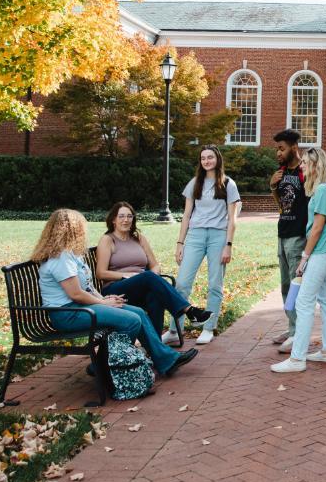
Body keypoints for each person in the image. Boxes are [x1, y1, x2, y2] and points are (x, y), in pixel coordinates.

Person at [33, 208, 197, 380]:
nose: (84, 231)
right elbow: (76, 294)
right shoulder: (61, 258)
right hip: (68, 313)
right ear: (72, 229)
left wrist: (103, 298)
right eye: (81, 227)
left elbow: (86, 287)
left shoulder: (71, 255)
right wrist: (103, 303)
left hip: (80, 307)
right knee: (131, 320)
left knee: (139, 312)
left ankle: (165, 360)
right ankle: (103, 364)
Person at [94, 202, 212, 346]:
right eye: (121, 216)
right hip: (116, 289)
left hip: (142, 286)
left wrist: (153, 275)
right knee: (148, 276)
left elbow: (154, 265)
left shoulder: (139, 238)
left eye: (129, 216)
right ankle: (189, 310)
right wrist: (127, 276)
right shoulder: (107, 240)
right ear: (113, 220)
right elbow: (100, 273)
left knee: (155, 295)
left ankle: (155, 347)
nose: (126, 220)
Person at [271, 147, 326, 373]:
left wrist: (304, 257)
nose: (301, 166)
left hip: (321, 252)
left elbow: (317, 228)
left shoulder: (322, 190)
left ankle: (297, 358)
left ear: (315, 165)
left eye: (304, 163)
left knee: (303, 302)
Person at [175, 145, 241, 345]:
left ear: (217, 159)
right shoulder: (194, 183)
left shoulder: (228, 184)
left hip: (218, 237)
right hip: (195, 236)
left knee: (214, 284)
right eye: (203, 158)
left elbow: (232, 218)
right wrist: (180, 243)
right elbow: (186, 215)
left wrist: (228, 244)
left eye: (210, 157)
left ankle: (208, 327)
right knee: (181, 284)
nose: (206, 161)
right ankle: (174, 329)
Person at [269, 129, 309, 353]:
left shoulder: (305, 171)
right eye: (277, 149)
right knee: (286, 285)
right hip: (282, 232)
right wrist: (273, 187)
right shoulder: (281, 171)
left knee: (297, 286)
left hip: (297, 235)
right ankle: (292, 326)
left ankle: (298, 334)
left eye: (281, 148)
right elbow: (281, 205)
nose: (278, 153)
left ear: (294, 147)